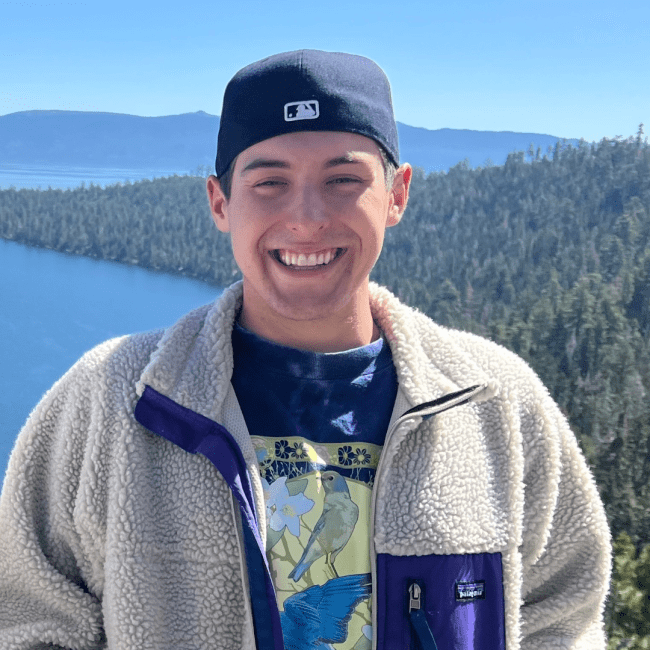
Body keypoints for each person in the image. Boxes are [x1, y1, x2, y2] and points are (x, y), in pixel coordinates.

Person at [0, 49, 611, 650]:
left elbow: (563, 616)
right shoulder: (115, 397)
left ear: (397, 195)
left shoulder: (496, 403)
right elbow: (27, 616)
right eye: (270, 182)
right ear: (220, 202)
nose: (307, 217)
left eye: (343, 180)